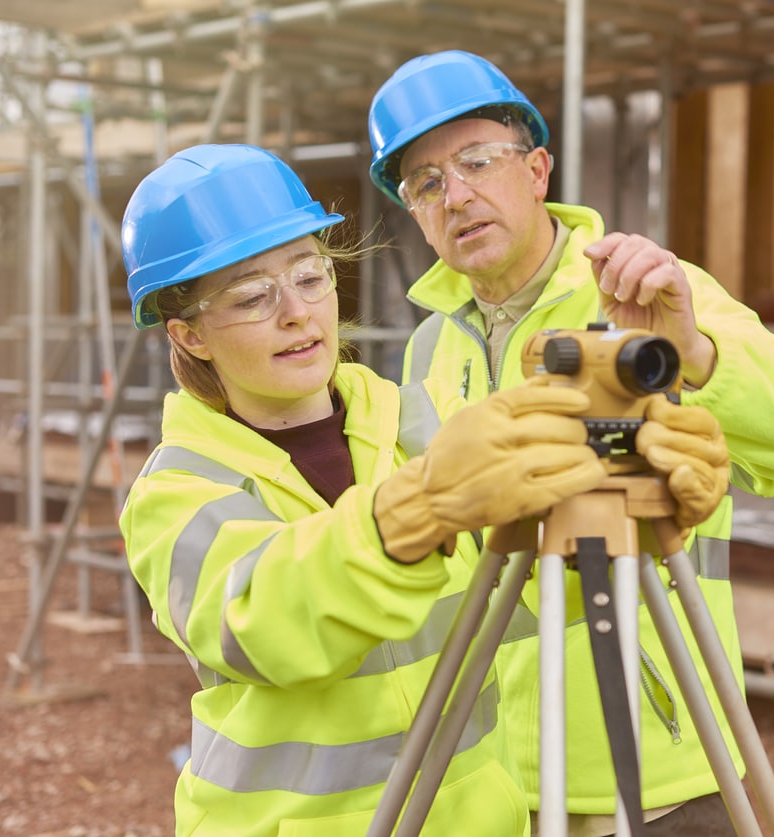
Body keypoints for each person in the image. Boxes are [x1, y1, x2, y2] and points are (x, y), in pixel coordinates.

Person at [367, 50, 774, 835]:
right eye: (425, 182)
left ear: (538, 170)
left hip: (656, 775)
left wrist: (694, 350)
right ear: (415, 213)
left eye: (477, 160)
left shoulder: (645, 294)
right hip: (486, 778)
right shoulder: (427, 350)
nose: (456, 195)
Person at [117, 142, 620, 835]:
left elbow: (522, 598)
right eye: (252, 296)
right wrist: (411, 513)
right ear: (189, 335)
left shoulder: (417, 421)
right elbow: (268, 624)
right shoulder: (177, 489)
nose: (297, 312)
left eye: (310, 276)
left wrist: (627, 510)